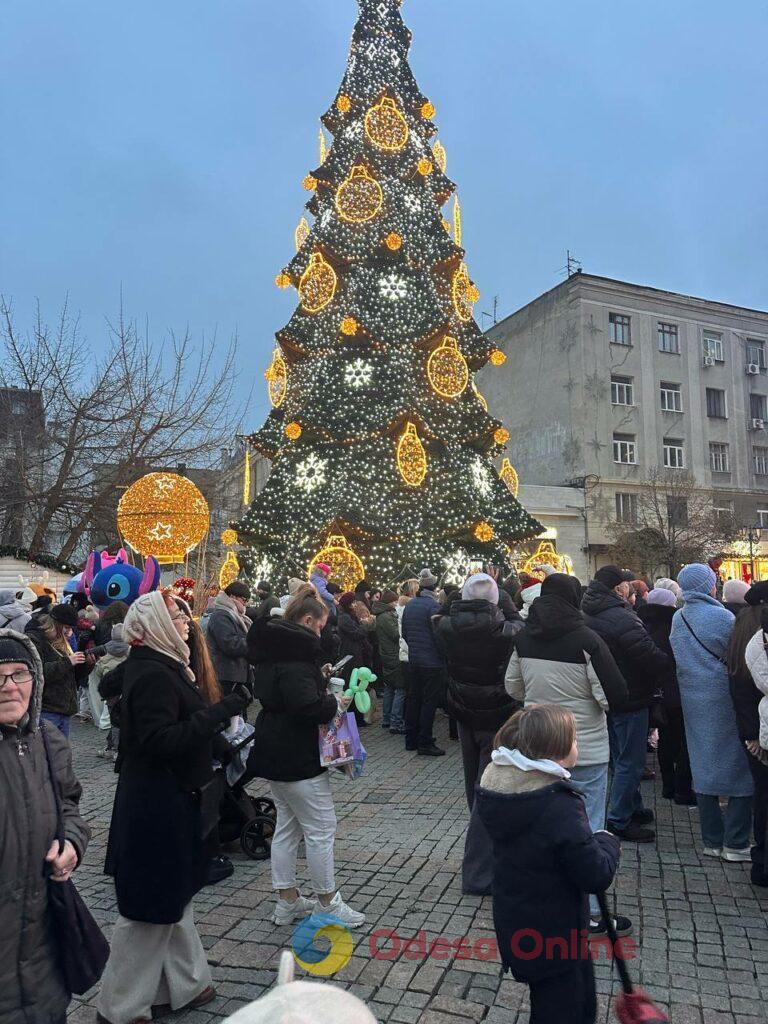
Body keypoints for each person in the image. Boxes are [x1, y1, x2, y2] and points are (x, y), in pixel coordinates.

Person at [98, 591, 251, 1024]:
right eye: (176, 616)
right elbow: (160, 741)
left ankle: (184, 985)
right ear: (153, 627)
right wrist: (221, 712)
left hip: (171, 797)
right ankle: (120, 1007)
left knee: (173, 895)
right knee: (150, 905)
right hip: (155, 803)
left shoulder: (164, 666)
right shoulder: (154, 674)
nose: (186, 622)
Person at [475, 704, 620, 1024]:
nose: (577, 746)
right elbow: (594, 873)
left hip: (523, 921)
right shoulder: (557, 804)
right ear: (555, 751)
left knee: (574, 999)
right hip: (555, 930)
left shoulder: (505, 793)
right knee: (561, 1009)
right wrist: (607, 841)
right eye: (573, 740)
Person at [505, 573, 629, 933]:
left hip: (536, 746)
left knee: (540, 823)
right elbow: (612, 695)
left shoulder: (523, 636)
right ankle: (589, 911)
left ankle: (546, 903)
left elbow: (512, 685)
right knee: (587, 827)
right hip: (583, 747)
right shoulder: (587, 639)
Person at [247, 593, 365, 928]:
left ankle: (287, 900)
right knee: (320, 829)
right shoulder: (296, 657)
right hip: (296, 754)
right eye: (322, 625)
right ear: (309, 621)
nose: (322, 633)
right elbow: (307, 707)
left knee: (288, 827)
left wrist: (319, 678)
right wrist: (335, 703)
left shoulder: (274, 650)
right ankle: (327, 901)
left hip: (275, 748)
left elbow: (288, 695)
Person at [0, 629, 91, 1024]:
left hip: (42, 954)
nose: (9, 687)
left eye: (20, 674)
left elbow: (69, 805)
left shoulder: (47, 740)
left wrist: (71, 842)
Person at [434, 572, 521, 894]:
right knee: (491, 786)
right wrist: (504, 603)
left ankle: (484, 851)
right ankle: (480, 872)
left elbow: (442, 616)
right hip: (497, 713)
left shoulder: (445, 626)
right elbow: (518, 625)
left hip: (463, 712)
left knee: (475, 782)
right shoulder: (505, 630)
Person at [670, 563, 753, 860]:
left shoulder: (679, 618)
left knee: (703, 765)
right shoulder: (722, 616)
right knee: (739, 769)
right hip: (723, 699)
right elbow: (738, 656)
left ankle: (711, 841)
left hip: (693, 699)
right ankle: (736, 842)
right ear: (708, 586)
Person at [582, 565, 671, 842]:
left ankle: (633, 806)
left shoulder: (586, 612)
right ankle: (619, 819)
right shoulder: (621, 617)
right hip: (631, 694)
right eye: (626, 585)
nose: (630, 589)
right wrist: (667, 665)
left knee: (621, 757)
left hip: (606, 695)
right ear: (618, 588)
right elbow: (646, 654)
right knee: (630, 761)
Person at [637, 588, 694, 805]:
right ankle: (682, 788)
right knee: (682, 740)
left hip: (655, 692)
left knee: (667, 739)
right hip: (676, 689)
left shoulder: (641, 624)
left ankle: (668, 786)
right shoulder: (674, 625)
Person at [733, 586, 768, 885]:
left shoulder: (743, 627)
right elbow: (745, 691)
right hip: (758, 734)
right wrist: (754, 735)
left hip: (755, 732)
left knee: (763, 796)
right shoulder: (757, 640)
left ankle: (761, 864)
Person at [401, 568, 446, 756]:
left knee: (414, 699)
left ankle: (410, 739)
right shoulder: (433, 607)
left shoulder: (410, 606)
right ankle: (425, 741)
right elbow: (439, 635)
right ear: (434, 588)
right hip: (432, 662)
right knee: (429, 702)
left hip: (414, 660)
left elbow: (404, 633)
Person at [25, 603, 89, 738]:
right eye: (66, 627)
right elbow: (38, 672)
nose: (69, 632)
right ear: (55, 624)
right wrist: (68, 662)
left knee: (61, 755)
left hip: (63, 709)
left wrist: (87, 664)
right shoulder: (35, 639)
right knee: (49, 754)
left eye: (71, 628)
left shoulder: (61, 640)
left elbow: (71, 676)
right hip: (46, 709)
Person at [89, 622, 130, 759]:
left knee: (114, 720)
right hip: (125, 691)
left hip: (111, 694)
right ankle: (115, 747)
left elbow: (99, 671)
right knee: (122, 720)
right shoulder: (129, 652)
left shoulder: (105, 652)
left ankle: (113, 748)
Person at [205, 581, 252, 696]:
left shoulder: (236, 615)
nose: (245, 604)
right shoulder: (221, 616)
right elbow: (230, 644)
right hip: (225, 676)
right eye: (244, 600)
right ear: (232, 596)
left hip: (234, 675)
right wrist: (253, 642)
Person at [373, 589, 406, 733]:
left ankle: (387, 719)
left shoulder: (382, 615)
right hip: (394, 655)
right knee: (400, 688)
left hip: (387, 655)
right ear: (389, 603)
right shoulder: (387, 616)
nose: (396, 603)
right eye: (394, 601)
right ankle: (395, 722)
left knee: (389, 688)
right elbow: (395, 634)